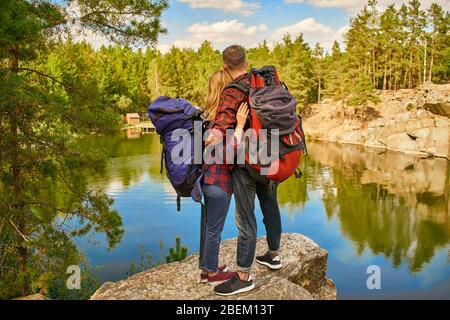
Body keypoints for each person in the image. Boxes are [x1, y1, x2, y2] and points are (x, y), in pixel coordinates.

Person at [209, 45, 283, 296]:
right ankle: (273, 255)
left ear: (224, 65)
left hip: (246, 162)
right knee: (270, 205)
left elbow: (218, 131)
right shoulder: (267, 81)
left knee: (245, 219)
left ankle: (243, 277)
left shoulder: (233, 90)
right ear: (246, 60)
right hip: (271, 155)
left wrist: (205, 137)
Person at [199, 69, 249, 285]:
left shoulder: (205, 117)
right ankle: (211, 274)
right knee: (214, 230)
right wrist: (239, 125)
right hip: (219, 183)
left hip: (205, 181)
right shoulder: (222, 122)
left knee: (207, 226)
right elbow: (230, 153)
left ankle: (206, 268)